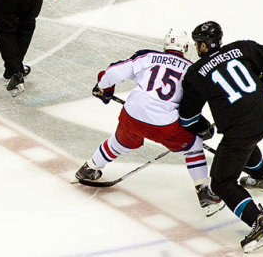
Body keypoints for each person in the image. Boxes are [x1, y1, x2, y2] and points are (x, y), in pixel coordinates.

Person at [75, 28, 225, 217]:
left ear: (165, 46)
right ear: (185, 48)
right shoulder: (191, 69)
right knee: (193, 144)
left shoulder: (147, 57)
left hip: (131, 114)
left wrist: (104, 90)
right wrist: (199, 125)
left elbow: (112, 72)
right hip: (164, 124)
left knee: (120, 142)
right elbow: (192, 104)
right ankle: (204, 192)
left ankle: (89, 168)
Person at [179, 21, 263, 253]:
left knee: (221, 182)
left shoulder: (196, 73)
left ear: (204, 46)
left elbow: (187, 118)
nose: (197, 47)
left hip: (240, 128)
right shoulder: (242, 48)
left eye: (198, 43)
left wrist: (203, 127)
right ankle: (260, 176)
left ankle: (260, 224)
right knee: (241, 144)